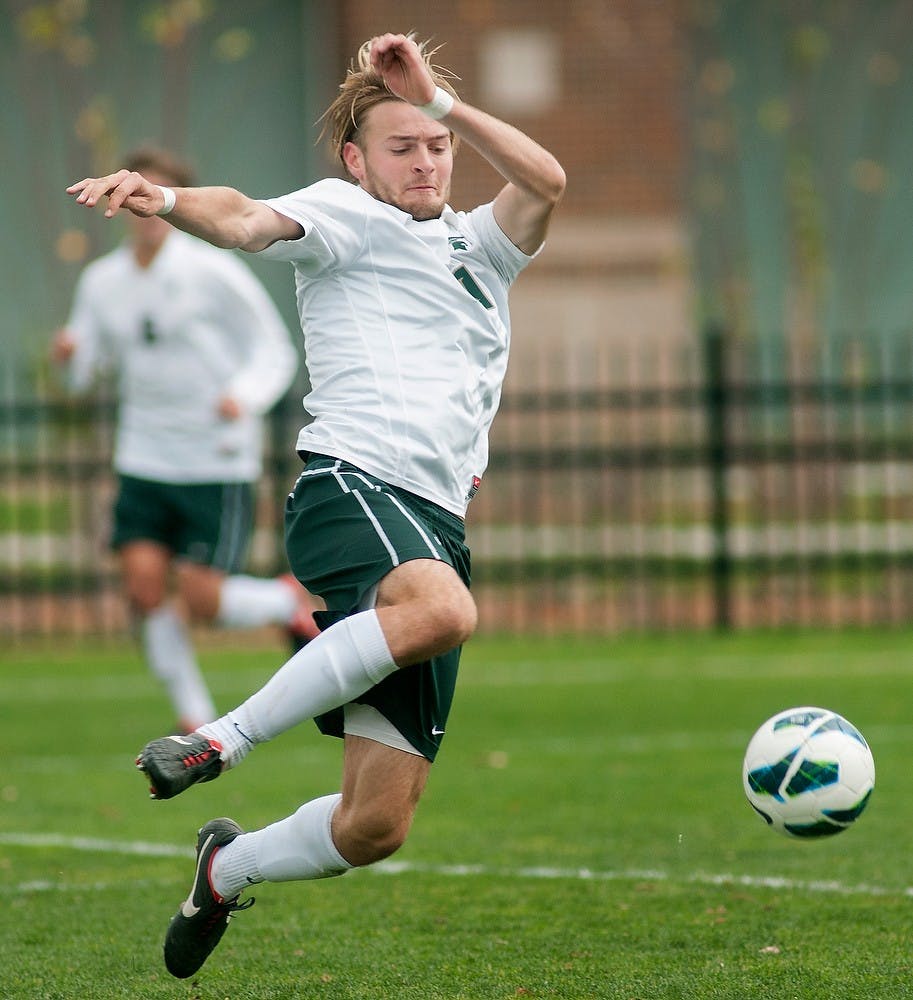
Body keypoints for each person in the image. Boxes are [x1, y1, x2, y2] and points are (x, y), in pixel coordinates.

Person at [67, 33, 565, 979]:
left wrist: (445, 103)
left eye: (434, 145)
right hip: (352, 485)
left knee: (374, 825)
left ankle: (227, 868)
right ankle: (218, 739)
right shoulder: (343, 215)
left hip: (434, 522)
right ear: (354, 160)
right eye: (399, 145)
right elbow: (245, 219)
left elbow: (545, 182)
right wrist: (167, 201)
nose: (423, 161)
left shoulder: (481, 246)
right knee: (443, 612)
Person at [54, 145, 321, 734]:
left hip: (214, 458)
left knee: (203, 600)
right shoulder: (103, 282)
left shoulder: (213, 271)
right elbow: (87, 371)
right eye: (135, 195)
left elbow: (274, 349)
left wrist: (244, 397)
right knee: (145, 588)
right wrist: (71, 356)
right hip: (143, 457)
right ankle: (196, 718)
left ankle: (281, 601)